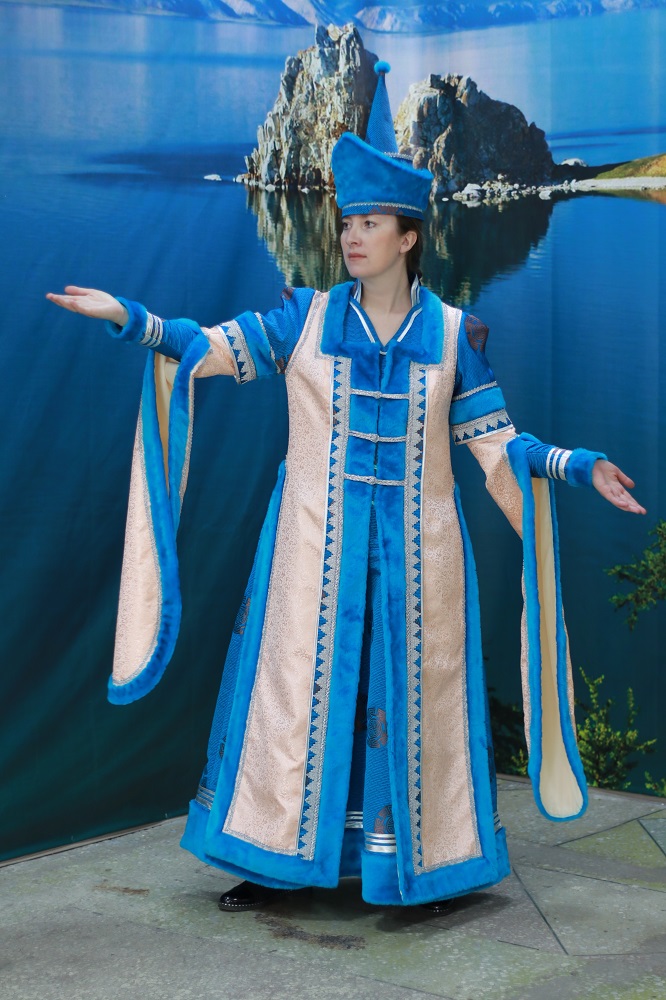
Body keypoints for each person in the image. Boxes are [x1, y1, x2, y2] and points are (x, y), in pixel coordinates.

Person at [47, 62, 644, 913]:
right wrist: (130, 319)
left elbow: (495, 444)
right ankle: (274, 861)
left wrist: (575, 465)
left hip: (421, 559)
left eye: (369, 224)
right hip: (311, 547)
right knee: (296, 694)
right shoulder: (307, 318)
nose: (352, 237)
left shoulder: (454, 336)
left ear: (408, 238)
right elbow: (209, 349)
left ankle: (425, 867)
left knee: (412, 700)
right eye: (347, 223)